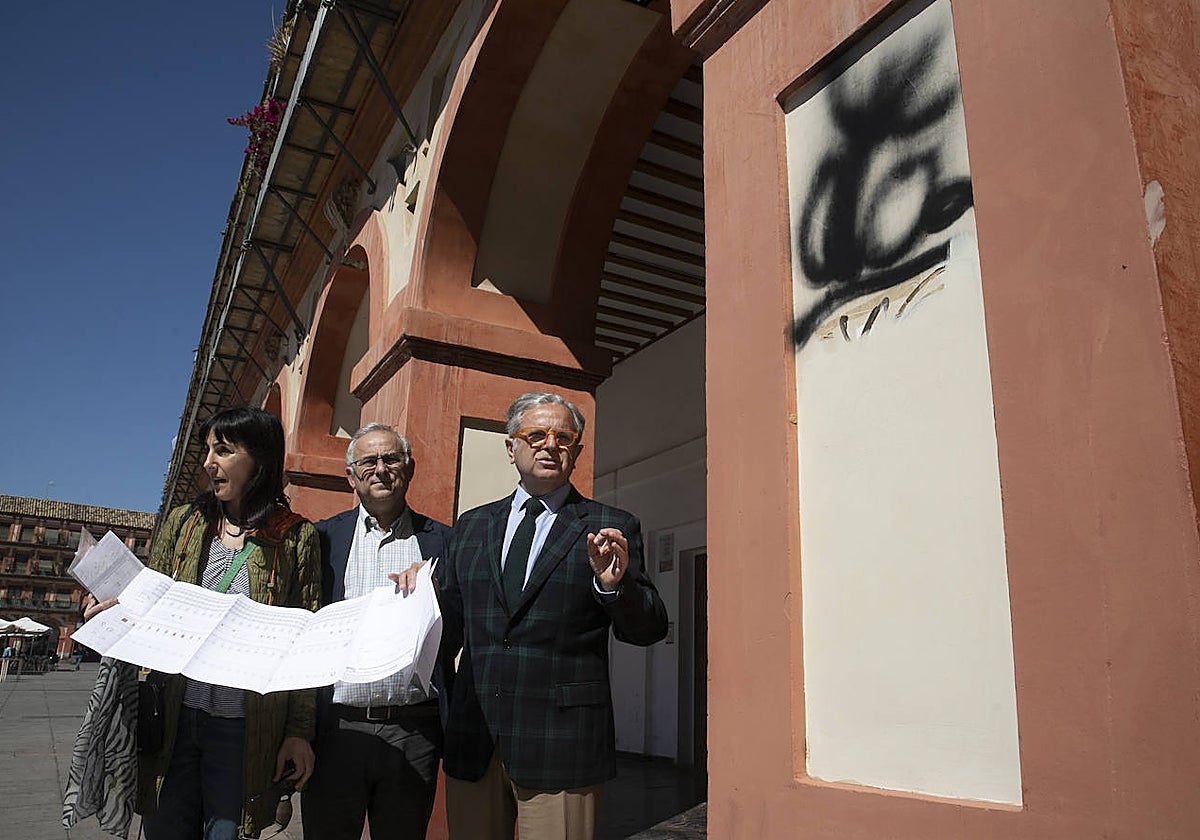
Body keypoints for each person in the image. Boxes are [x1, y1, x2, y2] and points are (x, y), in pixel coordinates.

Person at [83, 406, 322, 840]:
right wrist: (115, 610)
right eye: (208, 450)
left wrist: (299, 732)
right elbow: (147, 605)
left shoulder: (295, 538)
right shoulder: (184, 523)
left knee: (225, 832)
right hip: (174, 718)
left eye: (224, 450)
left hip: (244, 728)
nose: (209, 462)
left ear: (260, 458)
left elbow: (303, 648)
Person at [439, 392, 668, 840]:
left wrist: (612, 586)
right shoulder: (471, 526)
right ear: (511, 447)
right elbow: (447, 625)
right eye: (536, 434)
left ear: (577, 452)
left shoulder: (609, 526)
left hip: (560, 741)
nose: (550, 445)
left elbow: (649, 627)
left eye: (564, 438)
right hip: (475, 734)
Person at [302, 423, 452, 840]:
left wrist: (439, 592)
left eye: (391, 459)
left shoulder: (444, 542)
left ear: (409, 468)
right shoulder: (321, 539)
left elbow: (460, 628)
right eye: (368, 461)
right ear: (351, 475)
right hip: (336, 731)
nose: (381, 469)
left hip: (414, 732)